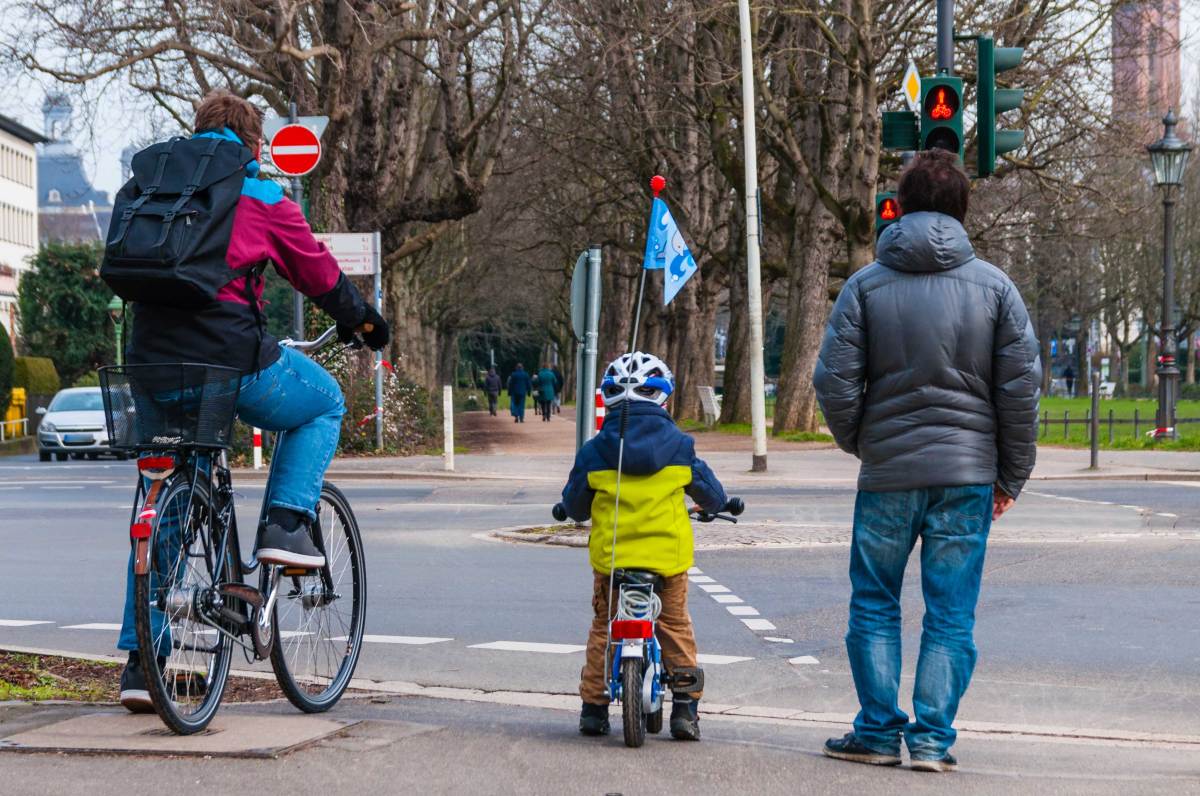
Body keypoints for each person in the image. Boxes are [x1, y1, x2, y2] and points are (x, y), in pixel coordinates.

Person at [113, 91, 389, 712]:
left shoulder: (150, 184)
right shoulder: (258, 192)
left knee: (162, 507)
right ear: (254, 142)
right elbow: (316, 271)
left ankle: (140, 665)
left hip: (150, 366)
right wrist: (365, 322)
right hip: (227, 362)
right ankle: (286, 524)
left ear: (198, 131)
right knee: (324, 402)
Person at [813, 149, 1040, 773]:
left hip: (889, 472)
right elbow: (1020, 392)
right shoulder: (996, 289)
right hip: (966, 476)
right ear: (963, 212)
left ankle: (879, 732)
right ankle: (934, 739)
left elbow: (833, 383)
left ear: (901, 207)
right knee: (950, 610)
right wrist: (1010, 475)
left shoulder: (865, 284)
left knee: (875, 601)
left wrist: (865, 441)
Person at [558, 351, 729, 741]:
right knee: (674, 625)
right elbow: (712, 494)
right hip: (666, 561)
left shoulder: (594, 452)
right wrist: (718, 505)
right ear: (663, 398)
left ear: (609, 397)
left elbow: (575, 505)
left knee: (604, 627)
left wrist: (569, 507)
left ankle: (593, 710)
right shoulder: (681, 449)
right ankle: (685, 710)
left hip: (613, 560)